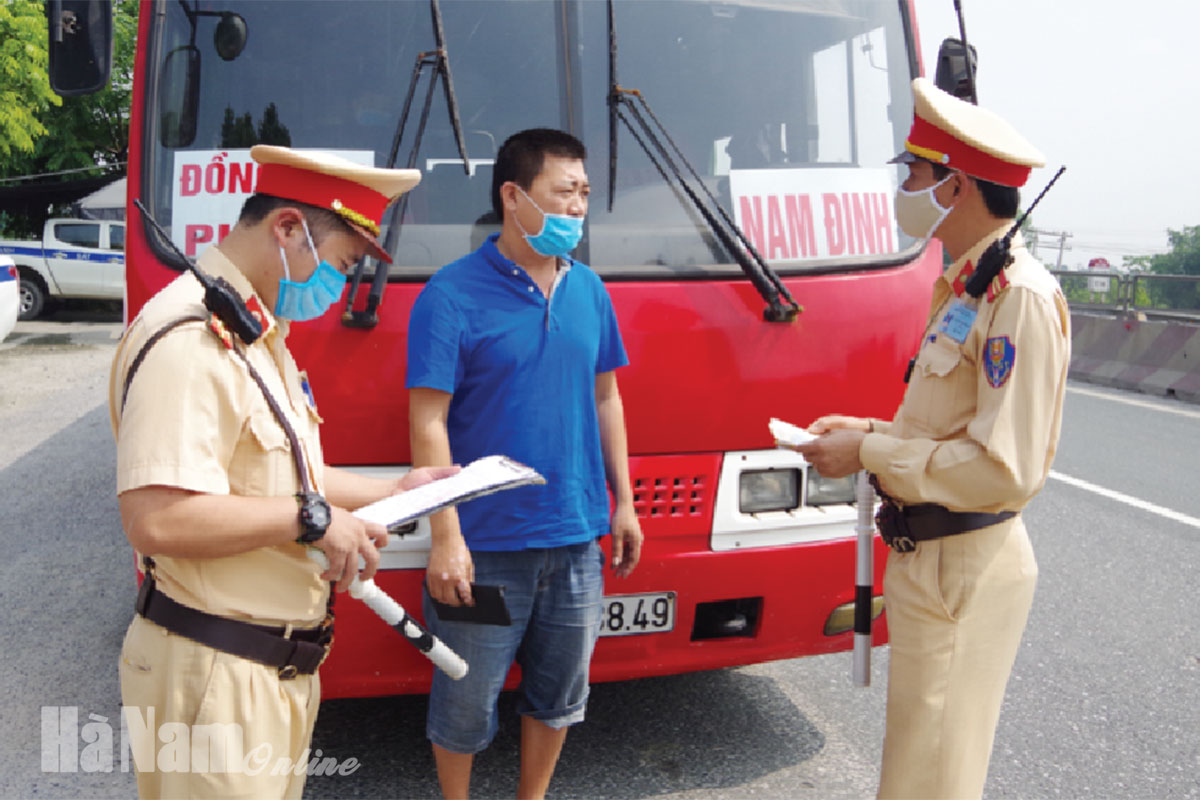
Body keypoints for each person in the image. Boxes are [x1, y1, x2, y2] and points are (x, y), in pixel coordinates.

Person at [109, 145, 456, 799]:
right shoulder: (190, 341)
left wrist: (392, 490)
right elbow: (157, 518)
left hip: (263, 672)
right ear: (289, 228)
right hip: (213, 675)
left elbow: (286, 474)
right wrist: (311, 520)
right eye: (343, 264)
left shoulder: (254, 334)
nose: (340, 286)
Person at [794, 78, 1070, 800]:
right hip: (932, 558)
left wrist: (870, 454)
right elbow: (944, 430)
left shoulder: (1017, 297)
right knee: (917, 765)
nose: (905, 190)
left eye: (915, 174)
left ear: (956, 186)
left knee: (935, 776)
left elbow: (1003, 469)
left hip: (964, 562)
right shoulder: (966, 287)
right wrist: (868, 431)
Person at [406, 128, 643, 800]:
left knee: (560, 697)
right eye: (564, 193)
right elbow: (427, 421)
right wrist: (445, 536)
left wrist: (624, 503)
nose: (578, 208)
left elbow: (607, 397)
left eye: (585, 194)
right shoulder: (451, 294)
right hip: (484, 548)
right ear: (513, 196)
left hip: (576, 540)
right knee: (465, 700)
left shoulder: (588, 289)